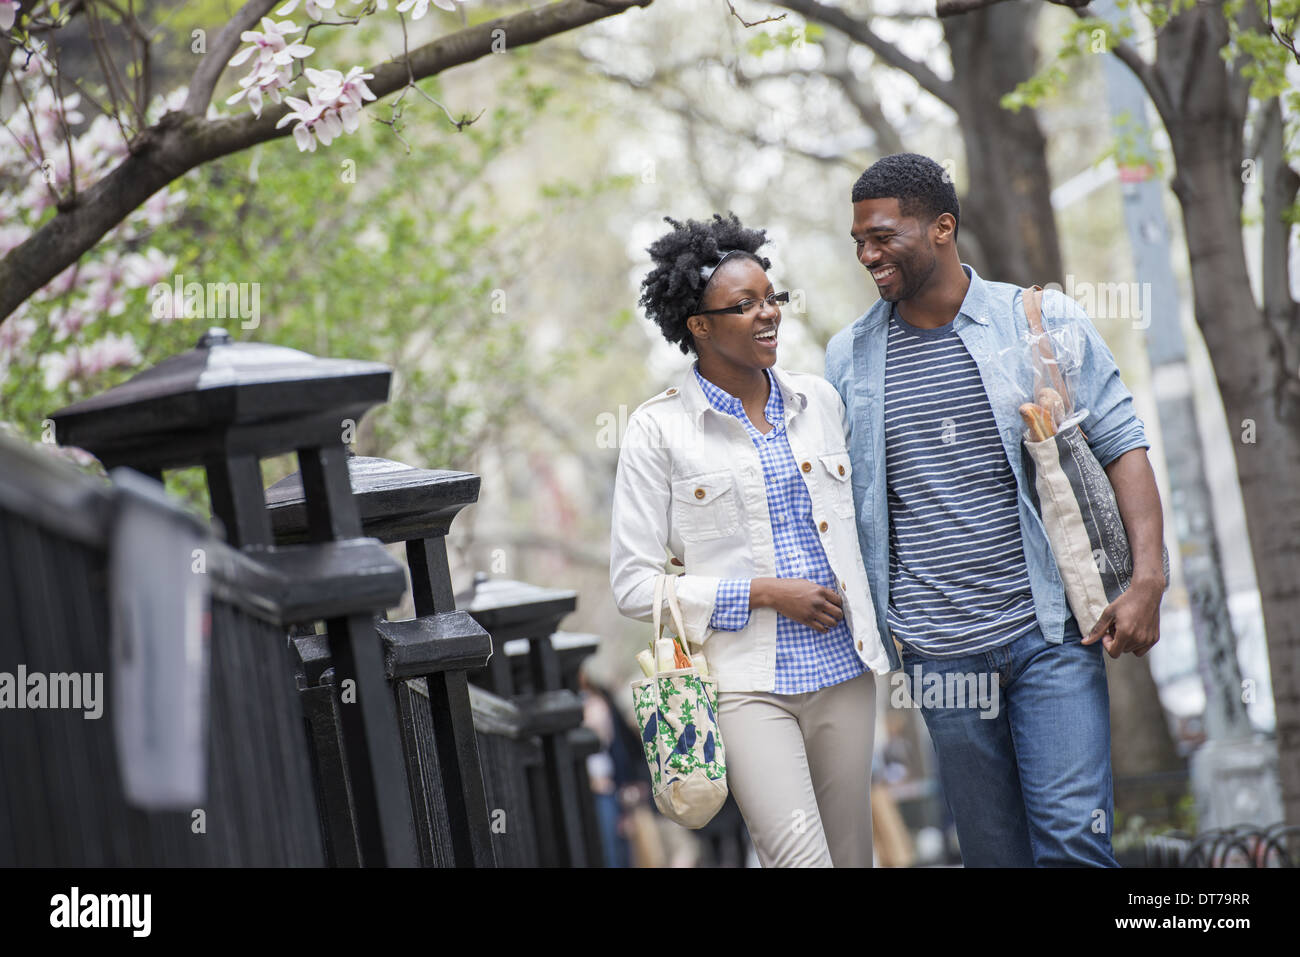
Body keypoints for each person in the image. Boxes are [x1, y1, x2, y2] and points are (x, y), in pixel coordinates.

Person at [825, 152, 1167, 867]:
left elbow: (1122, 441)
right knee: (993, 853)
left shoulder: (1037, 321)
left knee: (1074, 837)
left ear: (942, 227)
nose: (866, 253)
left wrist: (1149, 578)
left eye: (882, 236)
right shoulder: (849, 357)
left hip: (1051, 632)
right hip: (939, 651)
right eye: (858, 238)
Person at [609, 213, 892, 867]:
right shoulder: (659, 432)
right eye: (744, 305)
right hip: (745, 684)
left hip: (845, 671)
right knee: (797, 858)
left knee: (853, 857)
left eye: (772, 298)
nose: (768, 315)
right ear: (699, 325)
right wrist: (763, 592)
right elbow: (633, 583)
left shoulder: (819, 401)